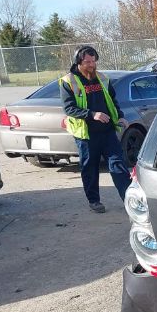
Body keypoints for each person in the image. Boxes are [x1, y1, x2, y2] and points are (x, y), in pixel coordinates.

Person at [60, 45, 131, 213]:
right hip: (86, 134)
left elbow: (112, 100)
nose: (91, 65)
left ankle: (129, 199)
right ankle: (94, 201)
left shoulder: (102, 78)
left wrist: (120, 116)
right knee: (90, 168)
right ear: (78, 61)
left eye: (93, 61)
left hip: (107, 132)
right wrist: (92, 114)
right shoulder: (68, 81)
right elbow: (69, 109)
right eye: (87, 62)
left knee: (118, 164)